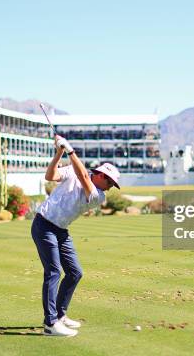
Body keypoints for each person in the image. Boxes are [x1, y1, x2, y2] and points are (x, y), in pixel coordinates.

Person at [32, 134, 120, 337]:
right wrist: (60, 153)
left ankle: (60, 315)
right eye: (110, 183)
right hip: (44, 224)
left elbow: (83, 178)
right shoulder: (73, 169)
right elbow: (50, 176)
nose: (110, 188)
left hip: (61, 230)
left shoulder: (99, 195)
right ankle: (50, 324)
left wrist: (70, 150)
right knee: (53, 272)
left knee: (75, 272)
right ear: (101, 176)